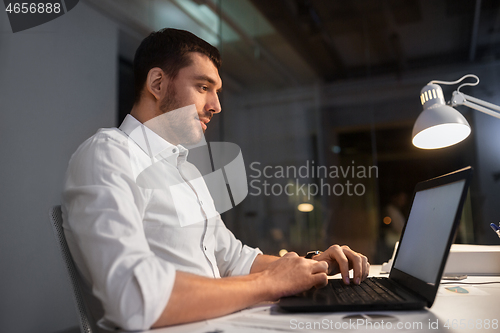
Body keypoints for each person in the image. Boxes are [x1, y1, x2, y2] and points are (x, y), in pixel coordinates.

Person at [62, 28, 369, 331]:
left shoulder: (186, 171)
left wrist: (313, 265)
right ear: (157, 83)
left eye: (217, 91)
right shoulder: (108, 155)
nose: (216, 106)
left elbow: (233, 258)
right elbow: (132, 296)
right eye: (203, 87)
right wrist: (270, 282)